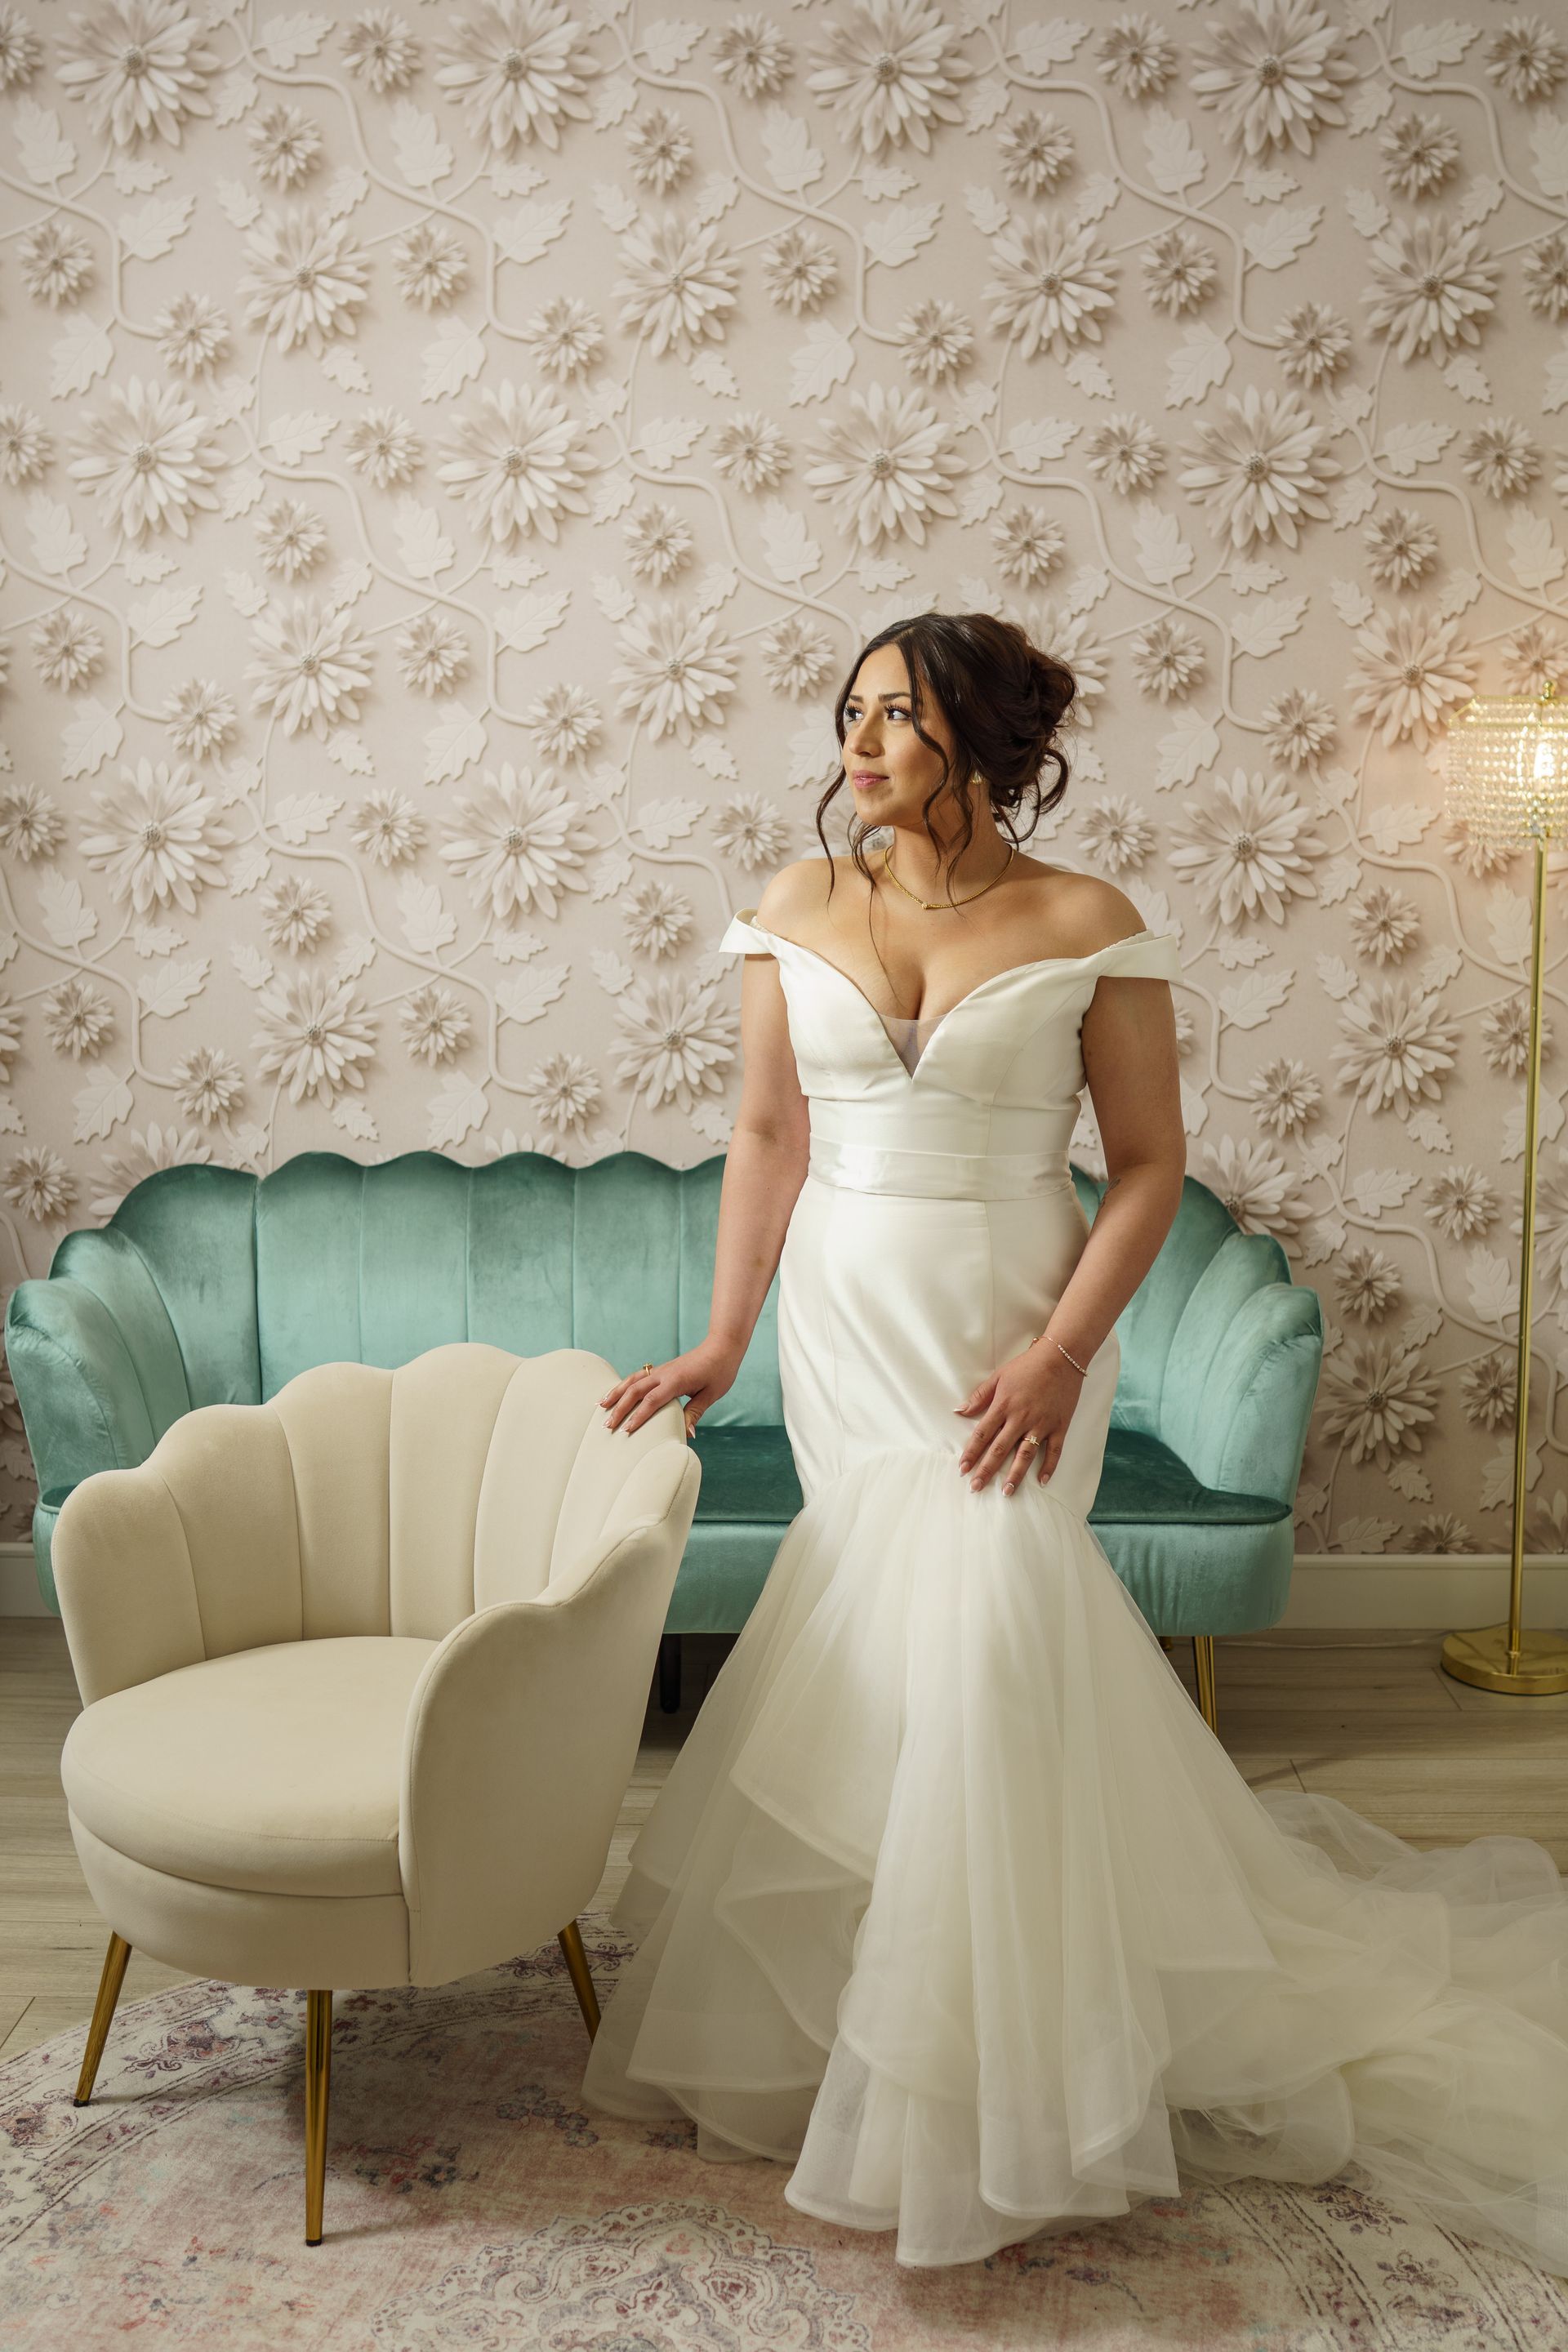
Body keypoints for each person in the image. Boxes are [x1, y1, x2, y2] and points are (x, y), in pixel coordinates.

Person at [579, 611, 1568, 2274]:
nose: (861, 744)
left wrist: (1055, 1356)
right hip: (842, 1328)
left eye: (899, 716)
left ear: (981, 738)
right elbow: (765, 1129)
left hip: (1010, 1333)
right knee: (896, 1657)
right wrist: (725, 1338)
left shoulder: (1085, 920)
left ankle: (992, 2079)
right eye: (852, 713)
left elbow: (1151, 1166)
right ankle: (886, 2026)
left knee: (986, 1641)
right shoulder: (796, 904)